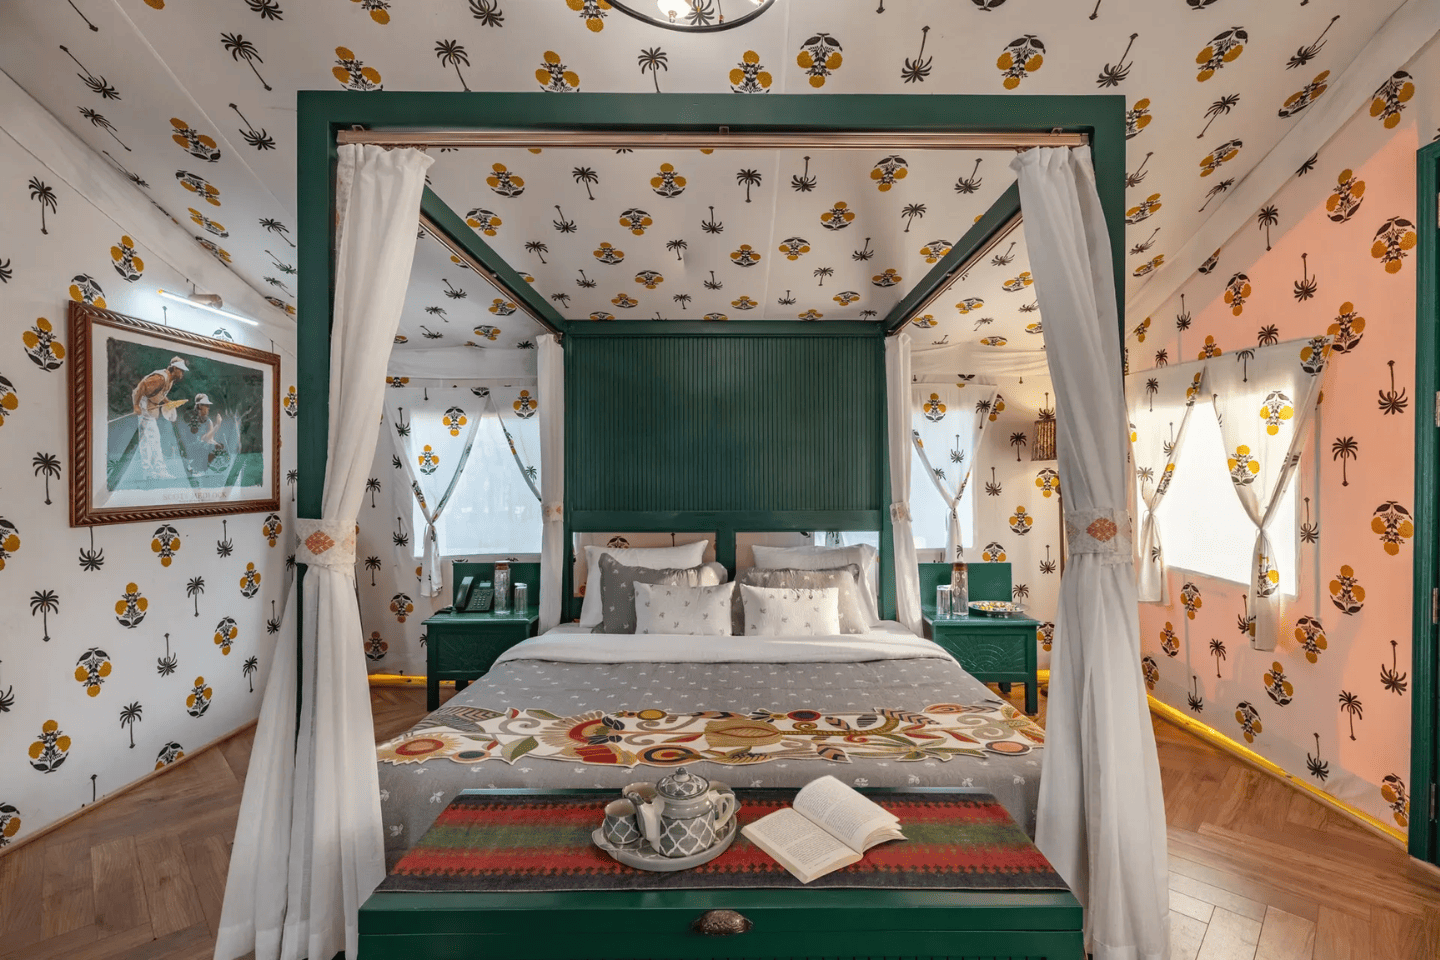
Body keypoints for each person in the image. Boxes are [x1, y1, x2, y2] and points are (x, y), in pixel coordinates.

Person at [131, 356, 188, 480]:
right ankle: (160, 470)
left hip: (148, 406)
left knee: (146, 440)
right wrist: (136, 406)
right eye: (181, 370)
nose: (182, 373)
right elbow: (142, 387)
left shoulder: (170, 379)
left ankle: (148, 472)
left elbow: (159, 393)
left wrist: (167, 402)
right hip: (144, 405)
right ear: (174, 368)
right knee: (154, 439)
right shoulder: (160, 378)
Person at [181, 392, 223, 475]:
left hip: (200, 446)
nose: (208, 408)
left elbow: (210, 439)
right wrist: (217, 426)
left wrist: (217, 446)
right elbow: (203, 438)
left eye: (208, 406)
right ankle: (194, 467)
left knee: (215, 446)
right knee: (204, 445)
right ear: (199, 406)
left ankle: (202, 469)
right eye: (206, 405)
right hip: (190, 448)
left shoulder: (208, 421)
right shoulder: (191, 418)